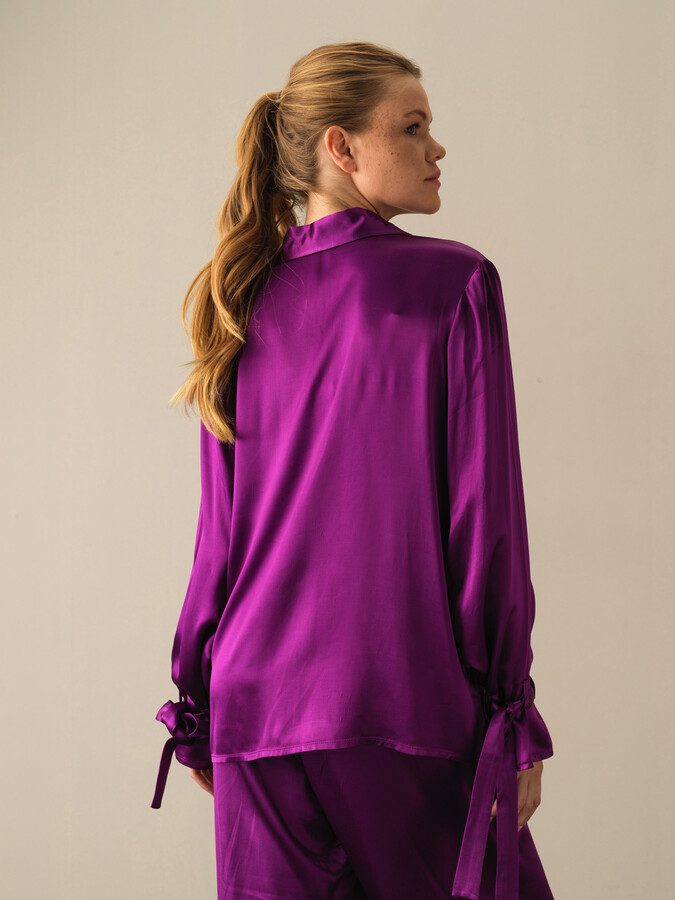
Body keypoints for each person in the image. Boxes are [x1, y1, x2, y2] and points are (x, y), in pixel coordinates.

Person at [150, 40, 555, 900]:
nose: (436, 147)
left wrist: (199, 705)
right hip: (402, 703)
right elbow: (483, 524)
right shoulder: (452, 283)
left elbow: (218, 543)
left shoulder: (241, 298)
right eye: (412, 127)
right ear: (340, 146)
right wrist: (508, 714)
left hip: (255, 710)